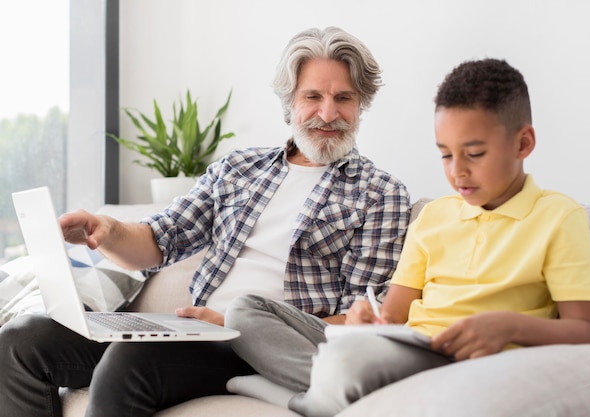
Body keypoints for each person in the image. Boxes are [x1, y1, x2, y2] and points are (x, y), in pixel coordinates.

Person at [0, 26, 411, 417]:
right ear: (290, 102)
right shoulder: (238, 169)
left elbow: (361, 320)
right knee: (22, 341)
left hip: (258, 348)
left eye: (344, 97)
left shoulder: (380, 193)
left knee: (134, 357)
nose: (328, 112)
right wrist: (106, 230)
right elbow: (160, 240)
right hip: (191, 330)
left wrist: (241, 324)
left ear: (361, 105)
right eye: (313, 96)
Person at [224, 58, 590, 417]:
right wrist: (366, 319)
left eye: (474, 154)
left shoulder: (558, 217)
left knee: (348, 363)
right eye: (445, 155)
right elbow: (393, 315)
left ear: (522, 144)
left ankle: (308, 397)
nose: (457, 172)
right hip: (408, 347)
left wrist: (508, 326)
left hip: (465, 361)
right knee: (244, 311)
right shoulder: (435, 216)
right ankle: (329, 390)